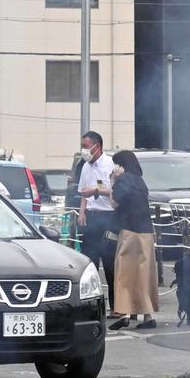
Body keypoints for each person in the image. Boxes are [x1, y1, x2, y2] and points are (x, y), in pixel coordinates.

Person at [108, 151, 158, 331]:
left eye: (116, 164)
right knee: (144, 274)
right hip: (146, 231)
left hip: (130, 231)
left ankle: (126, 313)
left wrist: (113, 181)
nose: (115, 168)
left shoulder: (124, 179)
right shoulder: (140, 180)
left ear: (122, 164)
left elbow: (114, 203)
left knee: (125, 273)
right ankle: (148, 315)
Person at [77, 131, 117, 313]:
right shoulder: (85, 166)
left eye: (86, 146)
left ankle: (116, 306)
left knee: (110, 263)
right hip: (91, 216)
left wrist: (95, 190)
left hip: (108, 216)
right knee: (90, 262)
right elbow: (83, 192)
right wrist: (82, 212)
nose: (84, 150)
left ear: (96, 146)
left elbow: (113, 190)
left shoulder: (110, 164)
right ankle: (91, 306)